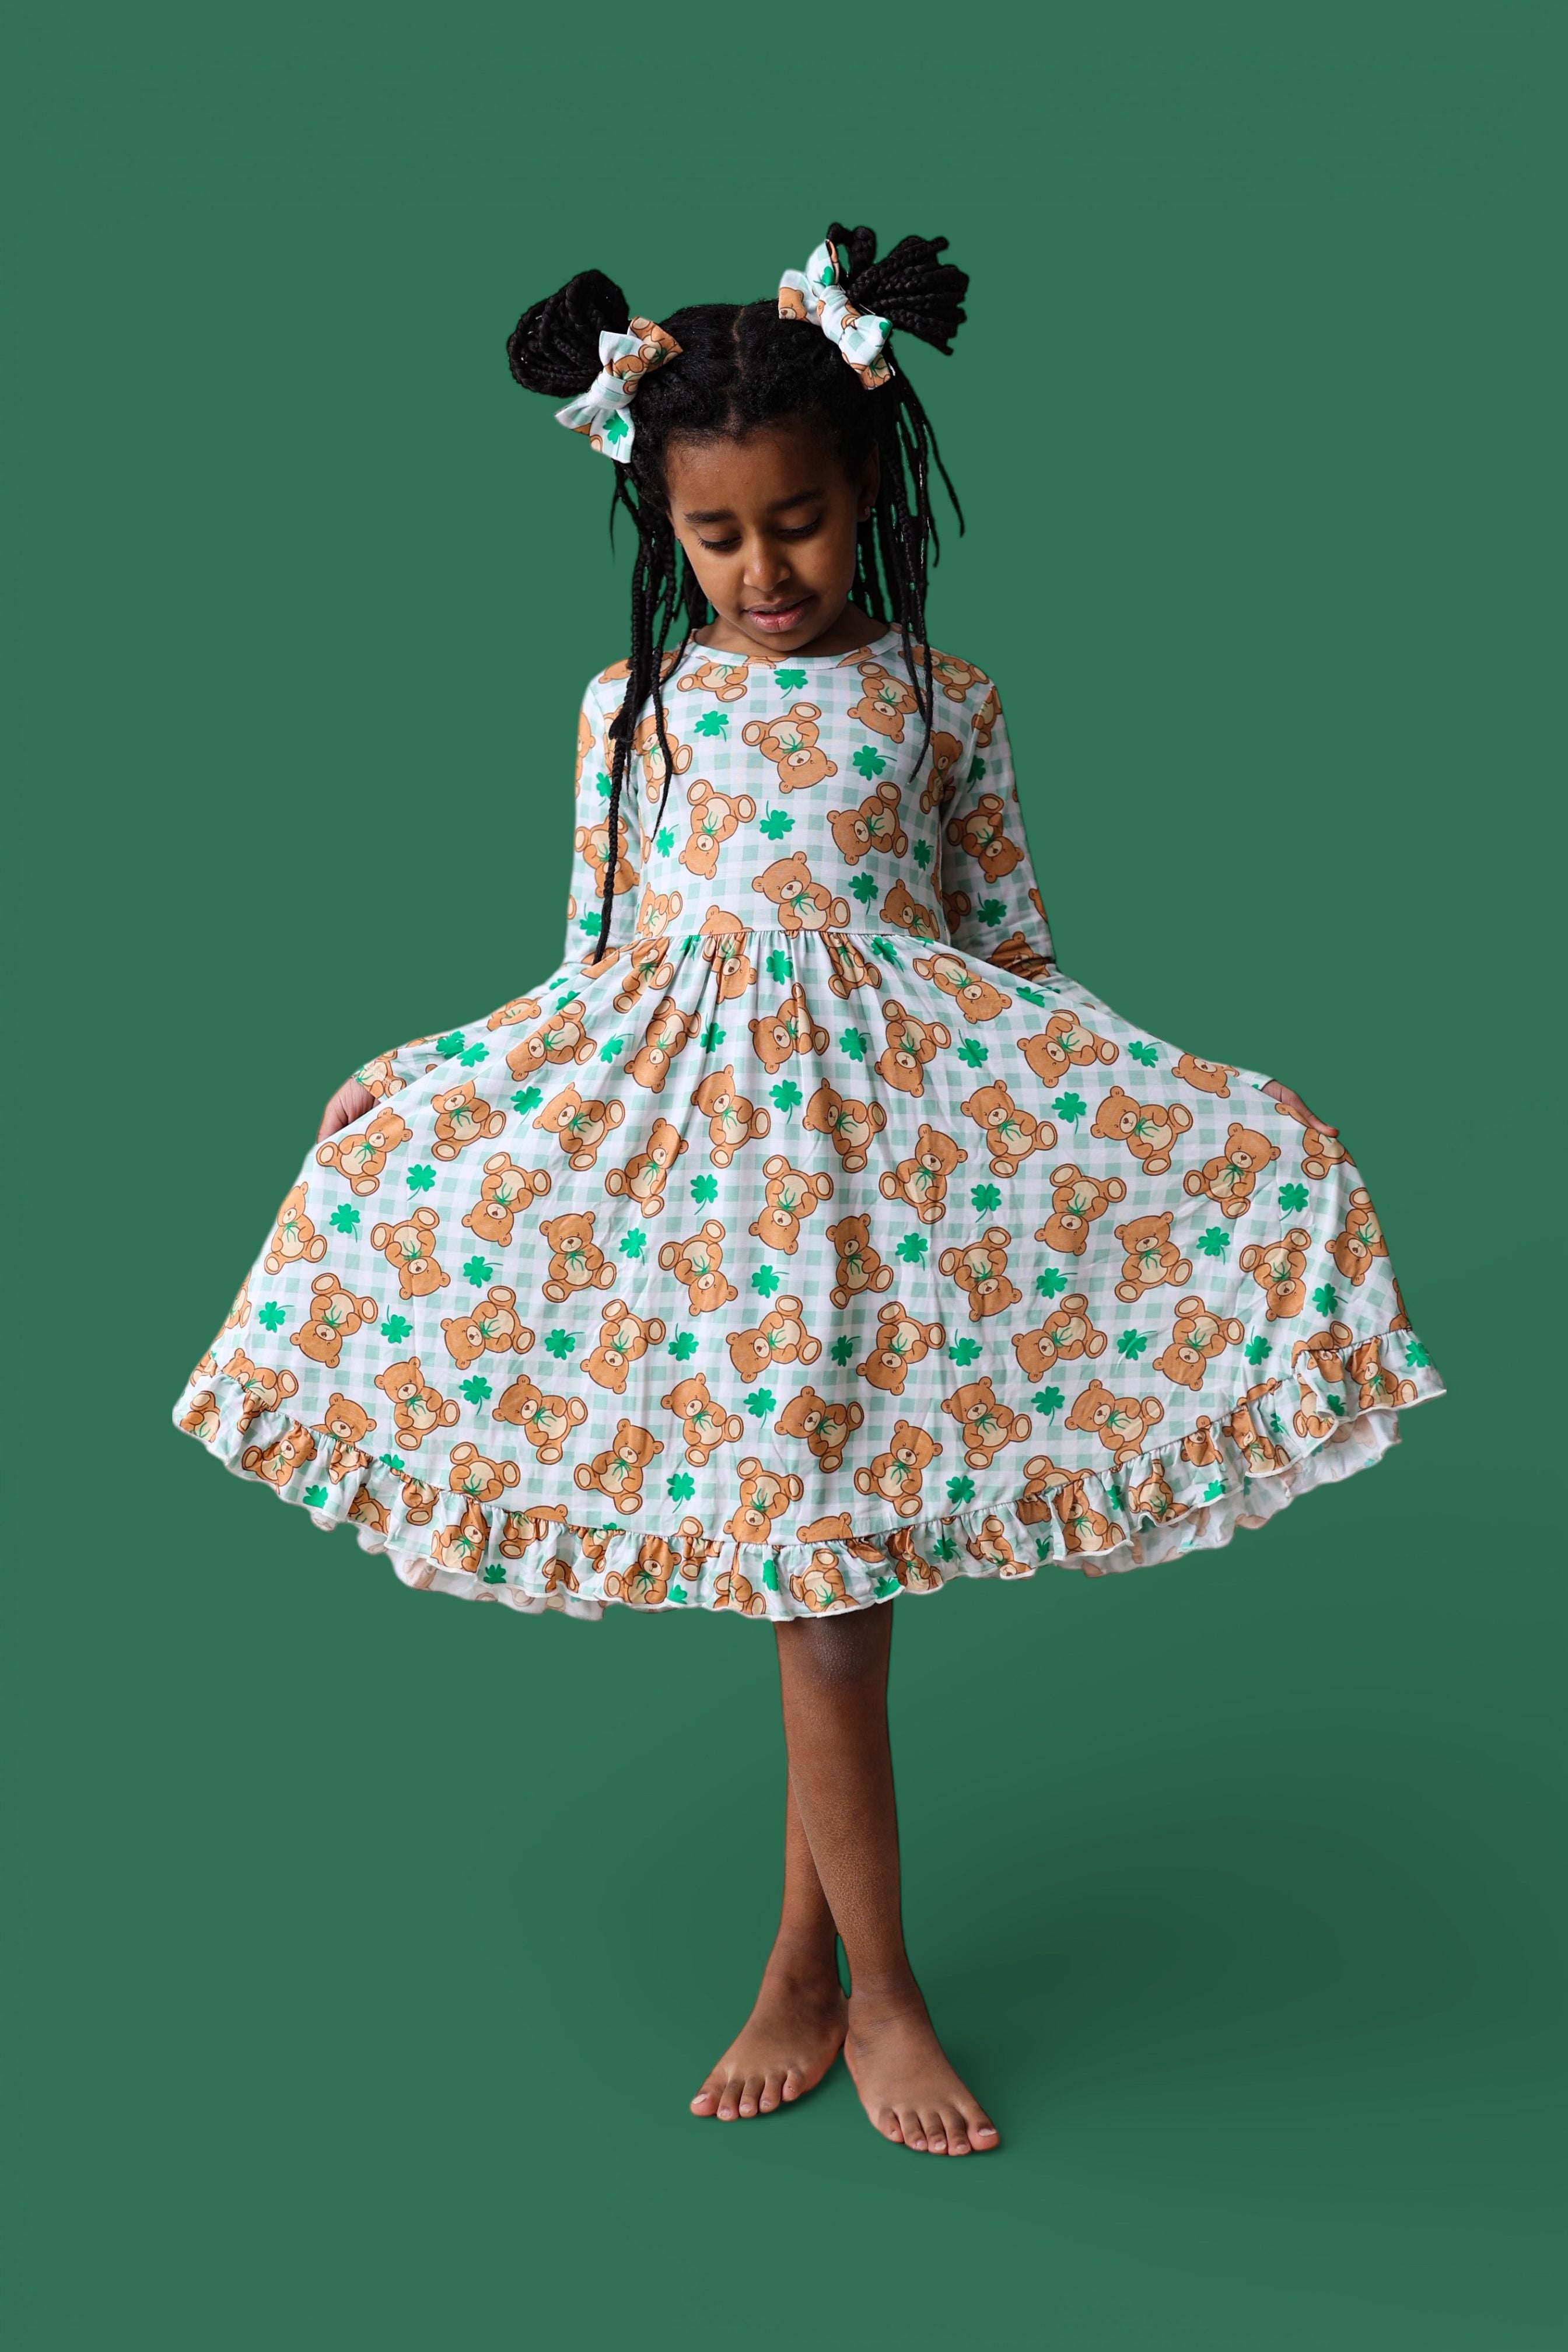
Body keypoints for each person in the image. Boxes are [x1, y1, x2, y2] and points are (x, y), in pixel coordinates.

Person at [173, 224, 1444, 2157]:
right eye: (718, 539)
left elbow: (1010, 960)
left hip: (893, 1189)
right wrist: (431, 1078)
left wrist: (1191, 1104)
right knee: (821, 1600)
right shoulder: (630, 711)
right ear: (662, 528)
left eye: (799, 525)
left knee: (824, 1596)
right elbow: (601, 966)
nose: (763, 573)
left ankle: (823, 1978)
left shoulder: (946, 699)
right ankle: (869, 1991)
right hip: (720, 1197)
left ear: (869, 494)